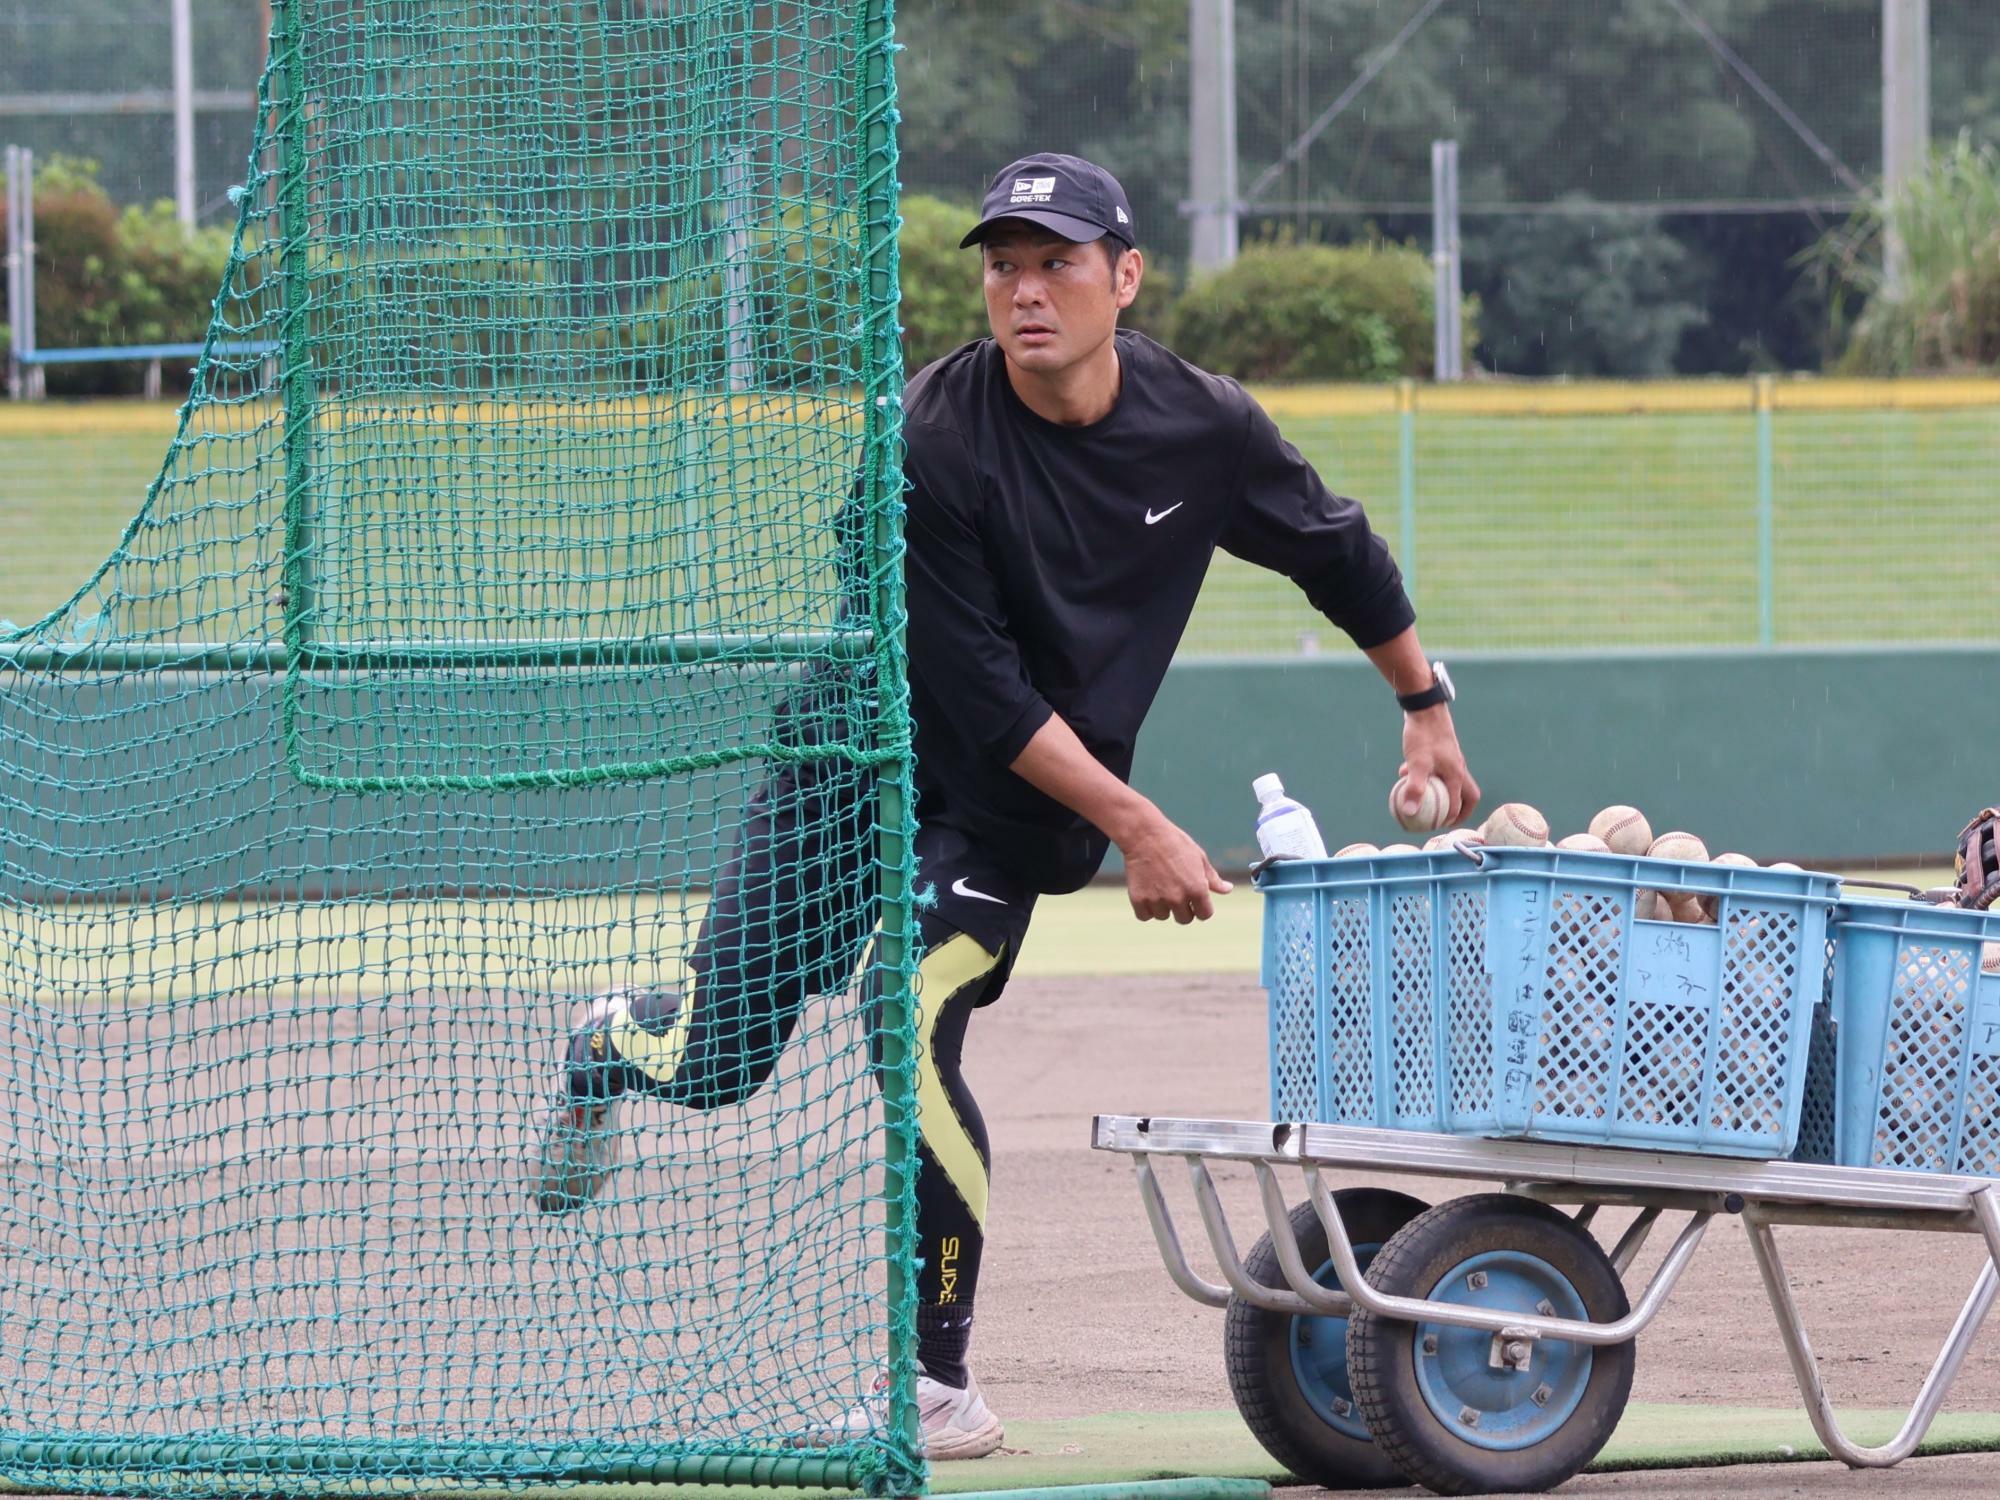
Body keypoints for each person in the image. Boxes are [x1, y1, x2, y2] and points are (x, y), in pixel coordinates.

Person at [528, 151, 1480, 1460]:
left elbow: (1334, 546)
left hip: (1000, 820)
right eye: (1004, 266)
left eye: (1057, 262)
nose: (1027, 291)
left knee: (902, 1016)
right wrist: (1142, 825)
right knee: (714, 1061)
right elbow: (980, 695)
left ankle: (936, 1386)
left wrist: (1424, 705)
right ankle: (604, 1045)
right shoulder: (932, 443)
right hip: (850, 766)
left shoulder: (1200, 425)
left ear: (1124, 276)